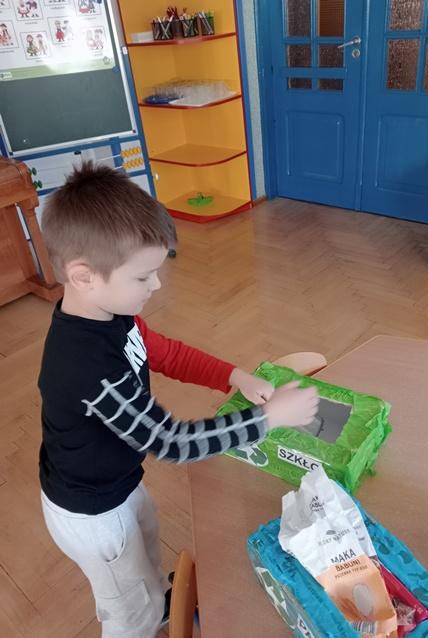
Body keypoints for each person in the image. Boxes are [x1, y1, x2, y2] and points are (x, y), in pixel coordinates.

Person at [38, 162, 319, 637]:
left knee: (145, 552)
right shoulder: (87, 366)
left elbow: (163, 352)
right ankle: (144, 618)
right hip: (95, 513)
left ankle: (157, 600)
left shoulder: (109, 310)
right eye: (143, 276)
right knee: (128, 612)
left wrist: (231, 374)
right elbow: (173, 442)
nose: (157, 285)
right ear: (83, 276)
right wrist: (268, 418)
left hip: (117, 482)